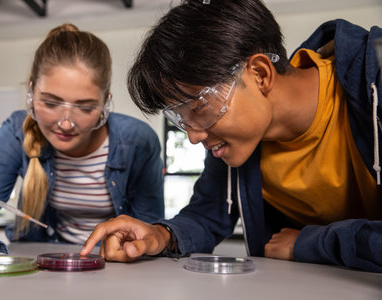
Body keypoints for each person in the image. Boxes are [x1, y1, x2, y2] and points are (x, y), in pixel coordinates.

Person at [81, 0, 382, 272]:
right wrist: (160, 235)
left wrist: (312, 243)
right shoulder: (238, 142)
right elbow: (206, 216)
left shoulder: (375, 81)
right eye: (180, 119)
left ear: (260, 74)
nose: (194, 137)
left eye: (198, 108)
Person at [0, 23, 164, 257]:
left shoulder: (138, 140)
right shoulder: (16, 131)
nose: (65, 123)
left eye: (84, 107)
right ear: (31, 93)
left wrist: (137, 246)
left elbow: (149, 233)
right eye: (51, 103)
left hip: (113, 267)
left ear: (105, 105)